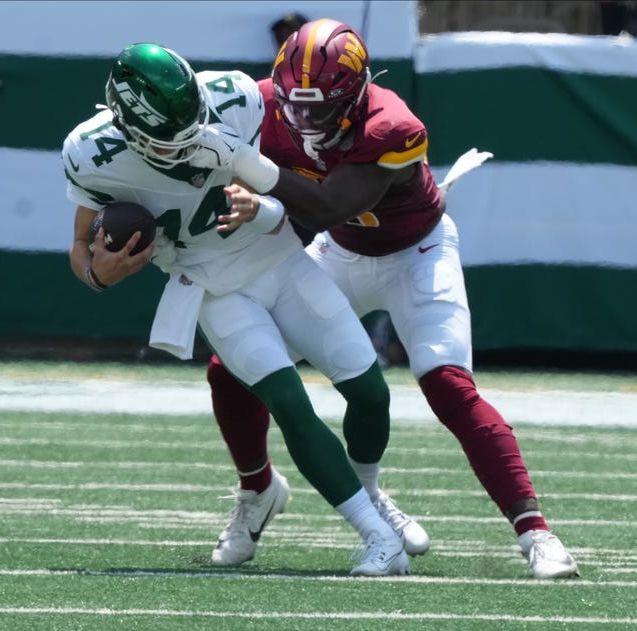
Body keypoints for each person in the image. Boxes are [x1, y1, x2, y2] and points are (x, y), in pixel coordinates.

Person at [195, 18, 580, 579]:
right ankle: (257, 490)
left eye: (320, 109)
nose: (302, 120)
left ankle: (536, 534)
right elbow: (192, 110)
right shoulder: (263, 101)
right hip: (342, 253)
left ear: (354, 96)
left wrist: (254, 167)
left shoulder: (392, 125)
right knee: (230, 367)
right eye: (293, 105)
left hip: (416, 254)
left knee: (448, 386)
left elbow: (326, 207)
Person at [61, 41, 430, 576]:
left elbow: (296, 175)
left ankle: (371, 495)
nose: (184, 148)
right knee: (290, 403)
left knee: (370, 392)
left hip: (280, 259)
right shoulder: (89, 153)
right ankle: (377, 539)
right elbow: (80, 249)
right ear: (126, 126)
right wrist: (98, 273)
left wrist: (263, 204)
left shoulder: (233, 96)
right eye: (169, 141)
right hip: (214, 287)